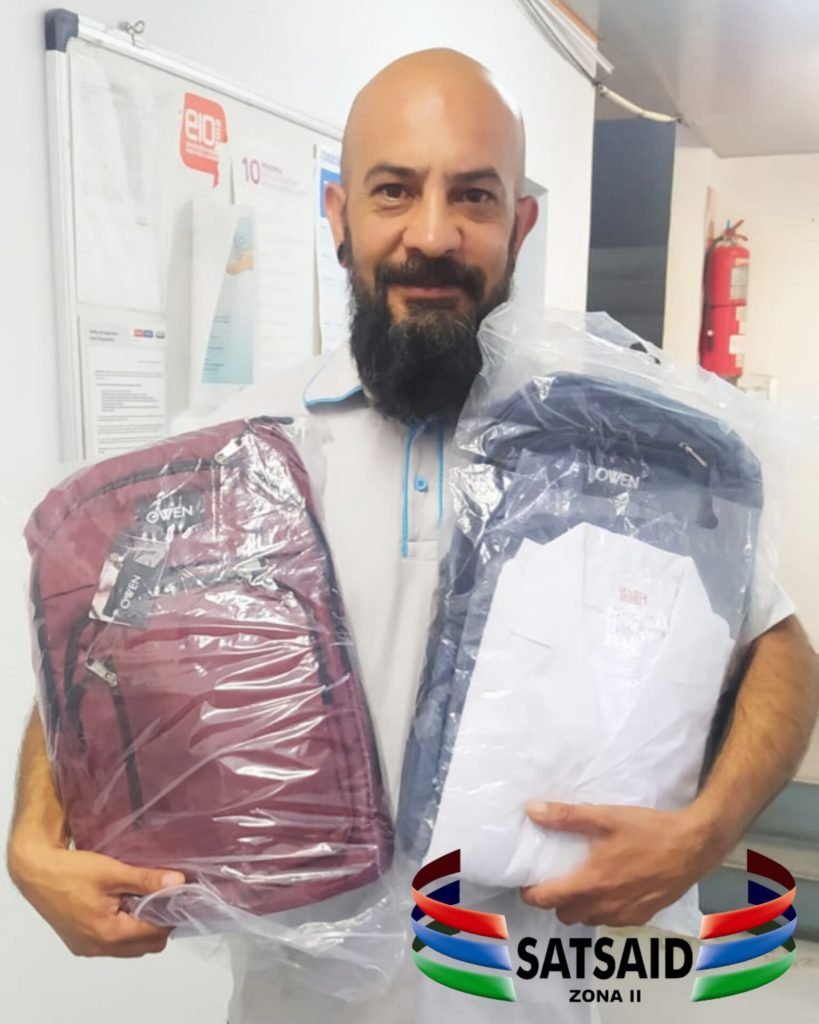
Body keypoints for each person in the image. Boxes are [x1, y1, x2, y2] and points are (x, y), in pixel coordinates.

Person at [7, 48, 818, 1024]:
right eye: (394, 190)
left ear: (519, 225)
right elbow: (104, 657)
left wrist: (708, 829)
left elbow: (778, 650)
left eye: (473, 196)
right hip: (294, 1007)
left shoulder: (615, 449)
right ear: (339, 214)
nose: (432, 234)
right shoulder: (232, 453)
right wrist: (33, 836)